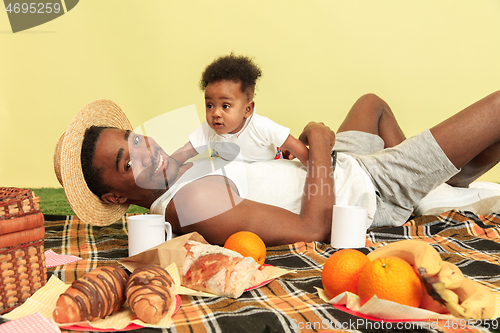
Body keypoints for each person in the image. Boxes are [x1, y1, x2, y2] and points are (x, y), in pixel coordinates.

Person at [54, 90, 500, 247]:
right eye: (127, 162)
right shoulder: (188, 202)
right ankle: (410, 187)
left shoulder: (185, 170)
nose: (147, 151)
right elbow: (311, 229)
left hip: (337, 165)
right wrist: (320, 142)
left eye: (136, 139)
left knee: (371, 105)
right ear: (114, 196)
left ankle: (437, 183)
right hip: (363, 187)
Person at [171, 54, 309, 166]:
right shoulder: (208, 129)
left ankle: (283, 152)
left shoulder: (261, 126)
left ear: (247, 109)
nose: (215, 113)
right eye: (210, 105)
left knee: (287, 152)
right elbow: (185, 151)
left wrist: (314, 169)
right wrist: (167, 167)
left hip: (268, 162)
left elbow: (294, 144)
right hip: (230, 166)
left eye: (225, 106)